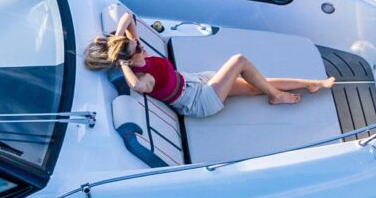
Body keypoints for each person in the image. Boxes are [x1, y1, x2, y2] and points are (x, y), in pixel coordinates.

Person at [85, 14, 331, 119]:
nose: (140, 45)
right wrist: (124, 63)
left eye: (136, 42)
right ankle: (277, 96)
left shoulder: (135, 50)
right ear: (129, 60)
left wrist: (120, 41)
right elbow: (138, 86)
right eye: (137, 48)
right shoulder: (142, 74)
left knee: (257, 86)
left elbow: (127, 17)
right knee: (239, 60)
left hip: (195, 82)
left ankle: (312, 84)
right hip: (197, 102)